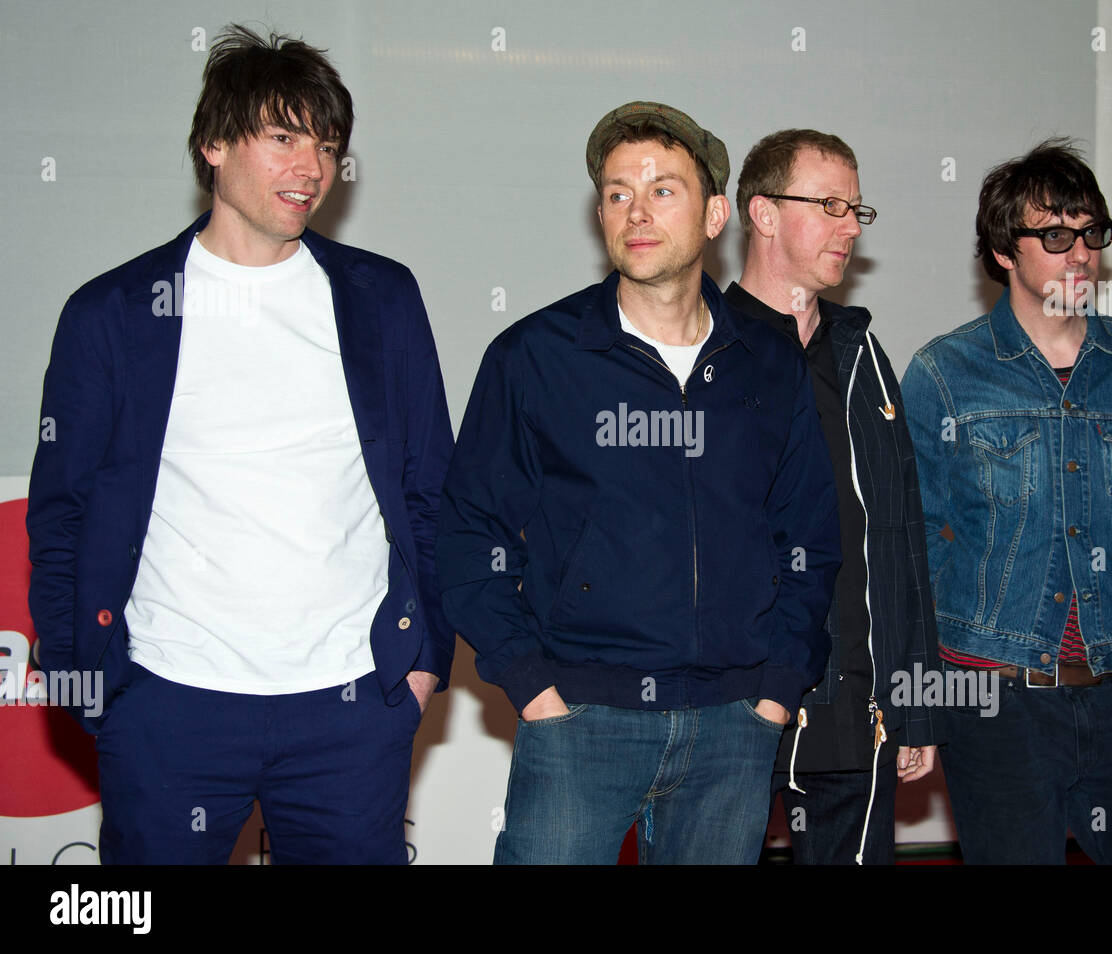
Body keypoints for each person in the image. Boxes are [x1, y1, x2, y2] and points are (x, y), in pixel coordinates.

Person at [26, 25, 456, 864]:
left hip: (351, 706)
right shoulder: (113, 314)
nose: (312, 168)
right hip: (168, 708)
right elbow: (63, 515)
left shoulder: (381, 300)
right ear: (214, 144)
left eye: (327, 146)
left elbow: (430, 490)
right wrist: (94, 687)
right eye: (284, 137)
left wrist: (422, 661)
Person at [436, 102, 840, 864]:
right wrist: (534, 688)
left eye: (663, 190)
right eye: (618, 193)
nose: (636, 211)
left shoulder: (769, 362)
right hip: (580, 720)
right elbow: (468, 535)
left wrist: (776, 691)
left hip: (734, 724)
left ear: (716, 213)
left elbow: (809, 539)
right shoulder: (536, 357)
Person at [900, 139, 1112, 864]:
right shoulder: (944, 373)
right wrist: (914, 698)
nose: (1079, 254)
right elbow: (910, 551)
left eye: (1091, 233)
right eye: (1055, 236)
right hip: (991, 700)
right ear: (1002, 253)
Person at [725, 130, 942, 865]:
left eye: (856, 209)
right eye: (829, 204)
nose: (851, 225)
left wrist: (914, 699)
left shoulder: (862, 353)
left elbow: (903, 535)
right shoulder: (705, 350)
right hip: (735, 709)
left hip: (857, 708)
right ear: (762, 214)